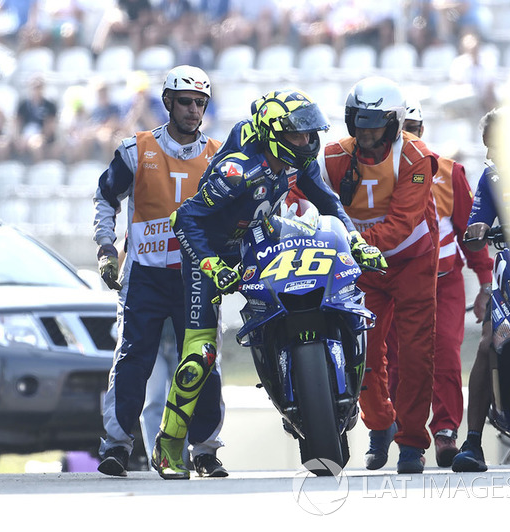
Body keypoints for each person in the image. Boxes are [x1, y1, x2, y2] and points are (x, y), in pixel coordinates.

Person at [156, 88, 384, 480]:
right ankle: (169, 443)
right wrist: (211, 265)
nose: (308, 142)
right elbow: (185, 220)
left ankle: (310, 385)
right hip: (209, 253)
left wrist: (358, 243)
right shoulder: (237, 171)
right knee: (201, 355)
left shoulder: (301, 161)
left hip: (256, 239)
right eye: (298, 135)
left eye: (311, 134)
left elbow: (329, 203)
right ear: (273, 134)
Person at [93, 65, 226, 478]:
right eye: (185, 102)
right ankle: (116, 446)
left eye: (200, 103)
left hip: (196, 279)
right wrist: (105, 248)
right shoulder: (136, 149)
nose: (192, 110)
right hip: (145, 274)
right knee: (133, 359)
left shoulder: (218, 156)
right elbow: (103, 197)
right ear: (167, 102)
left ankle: (204, 450)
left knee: (203, 362)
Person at [318, 76, 439, 474]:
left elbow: (404, 221)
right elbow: (305, 194)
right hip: (362, 268)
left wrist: (348, 244)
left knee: (417, 354)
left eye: (376, 123)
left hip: (411, 263)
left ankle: (412, 444)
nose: (368, 131)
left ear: (394, 122)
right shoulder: (334, 154)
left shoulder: (417, 156)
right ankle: (381, 426)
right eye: (360, 121)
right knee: (361, 353)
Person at [384, 98, 494, 468]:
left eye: (412, 129)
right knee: (398, 360)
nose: (407, 137)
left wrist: (484, 284)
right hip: (398, 281)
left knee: (446, 352)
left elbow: (471, 234)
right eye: (400, 131)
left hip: (444, 281)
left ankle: (446, 432)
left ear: (422, 131)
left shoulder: (449, 172)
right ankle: (403, 435)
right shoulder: (376, 175)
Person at [452, 108, 505, 473]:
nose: (490, 156)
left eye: (496, 148)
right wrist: (477, 229)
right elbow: (477, 217)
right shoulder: (491, 176)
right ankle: (472, 443)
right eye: (487, 149)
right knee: (488, 344)